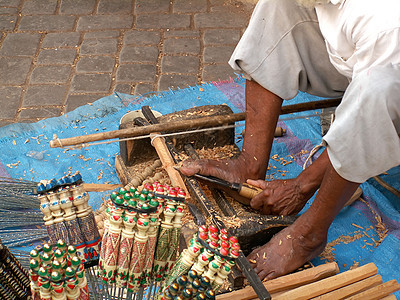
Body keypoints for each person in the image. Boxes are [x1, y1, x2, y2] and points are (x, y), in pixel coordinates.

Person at [180, 0, 400, 281]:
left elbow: (374, 110)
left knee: (373, 87)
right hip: (360, 56)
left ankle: (309, 234)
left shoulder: (385, 24)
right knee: (278, 6)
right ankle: (251, 163)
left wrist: (301, 185)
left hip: (389, 79)